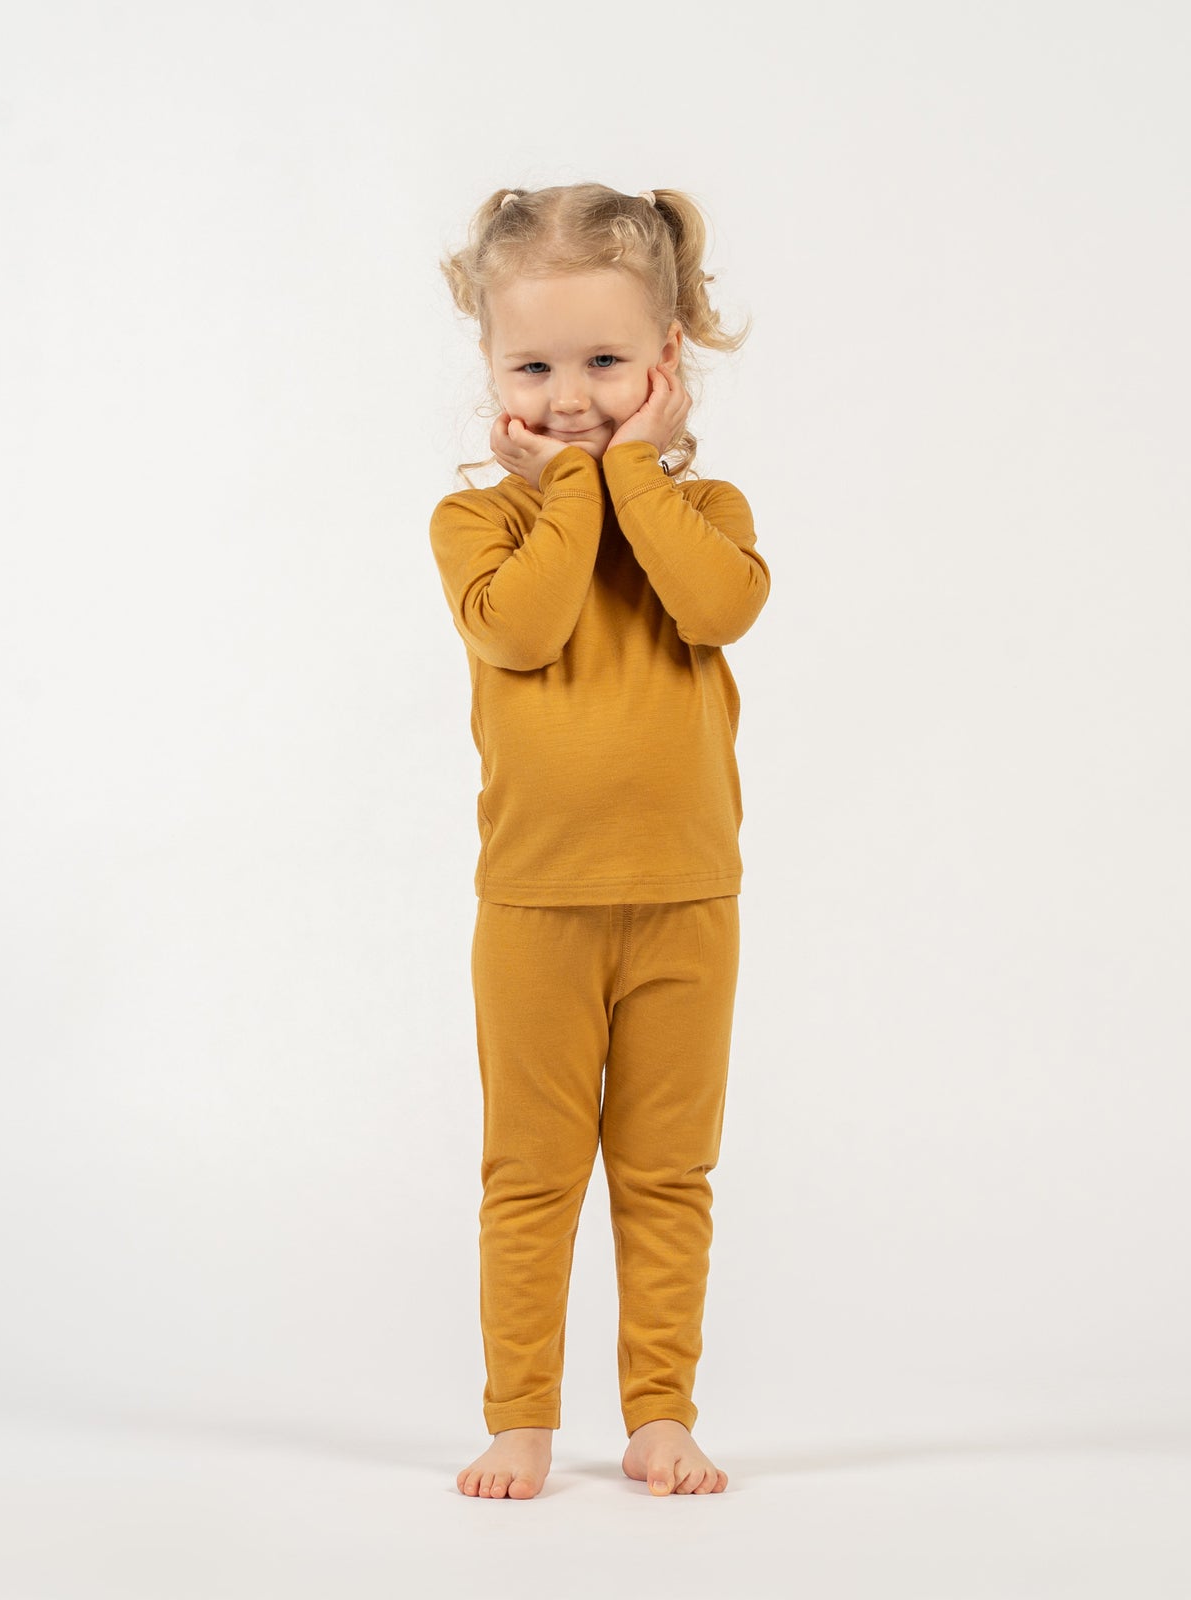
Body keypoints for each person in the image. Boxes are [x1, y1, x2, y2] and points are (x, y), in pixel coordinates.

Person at [429, 182, 770, 1499]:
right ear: (490, 366)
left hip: (687, 899)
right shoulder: (481, 525)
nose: (570, 393)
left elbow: (715, 608)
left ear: (665, 362)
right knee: (531, 1174)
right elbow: (522, 629)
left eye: (606, 363)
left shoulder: (710, 516)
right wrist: (572, 486)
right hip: (537, 906)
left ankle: (659, 1414)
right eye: (535, 364)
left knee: (667, 1172)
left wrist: (630, 475)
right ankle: (520, 1413)